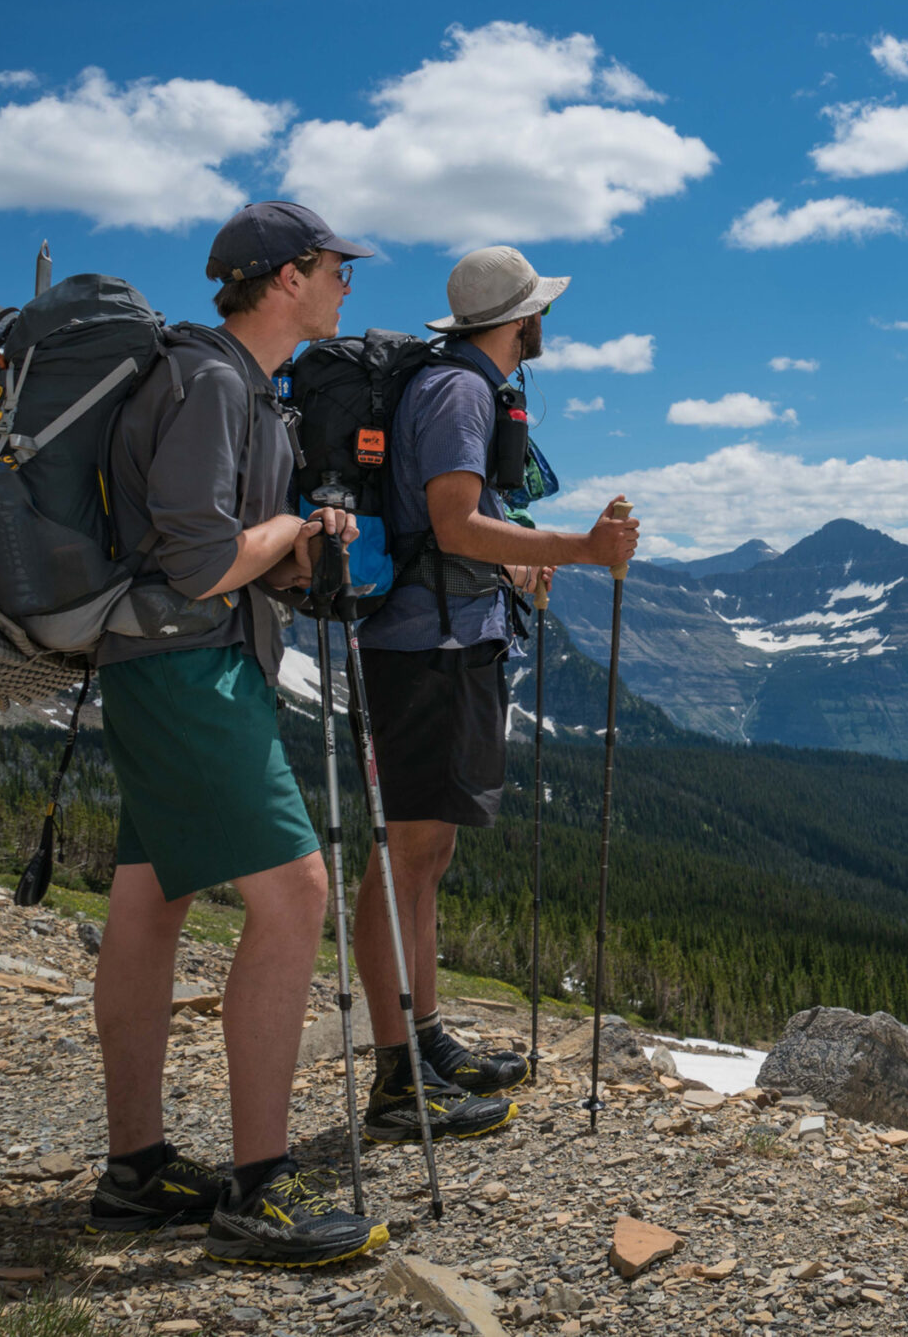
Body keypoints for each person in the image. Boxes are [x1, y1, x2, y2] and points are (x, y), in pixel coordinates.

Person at [85, 201, 387, 1268]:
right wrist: (293, 530)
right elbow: (206, 560)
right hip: (186, 666)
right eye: (333, 268)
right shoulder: (214, 382)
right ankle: (258, 1187)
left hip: (170, 663)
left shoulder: (243, 386)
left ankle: (137, 1170)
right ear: (282, 278)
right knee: (295, 892)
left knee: (151, 894)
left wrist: (303, 548)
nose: (348, 283)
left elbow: (236, 553)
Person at [351, 245, 640, 1142]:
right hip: (427, 647)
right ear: (524, 321)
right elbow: (450, 521)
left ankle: (424, 1040)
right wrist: (581, 550)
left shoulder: (461, 384)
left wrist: (516, 560)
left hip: (446, 635)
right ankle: (400, 1079)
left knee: (423, 854)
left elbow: (459, 529)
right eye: (540, 312)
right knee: (405, 854)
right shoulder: (463, 392)